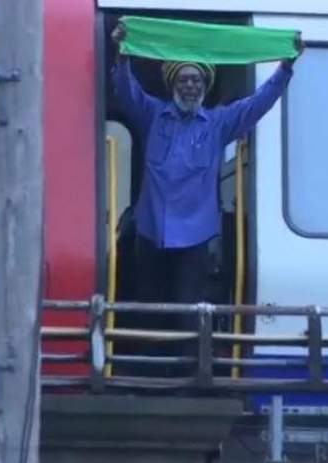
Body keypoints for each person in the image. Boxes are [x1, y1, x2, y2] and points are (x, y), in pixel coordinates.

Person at [111, 23, 302, 374]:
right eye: (183, 79)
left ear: (205, 87)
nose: (190, 85)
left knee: (189, 309)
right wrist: (122, 54)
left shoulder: (218, 123)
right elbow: (126, 89)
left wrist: (285, 69)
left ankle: (188, 377)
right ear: (173, 85)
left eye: (196, 80)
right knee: (149, 306)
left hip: (195, 236)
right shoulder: (152, 114)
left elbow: (258, 103)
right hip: (151, 230)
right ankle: (146, 374)